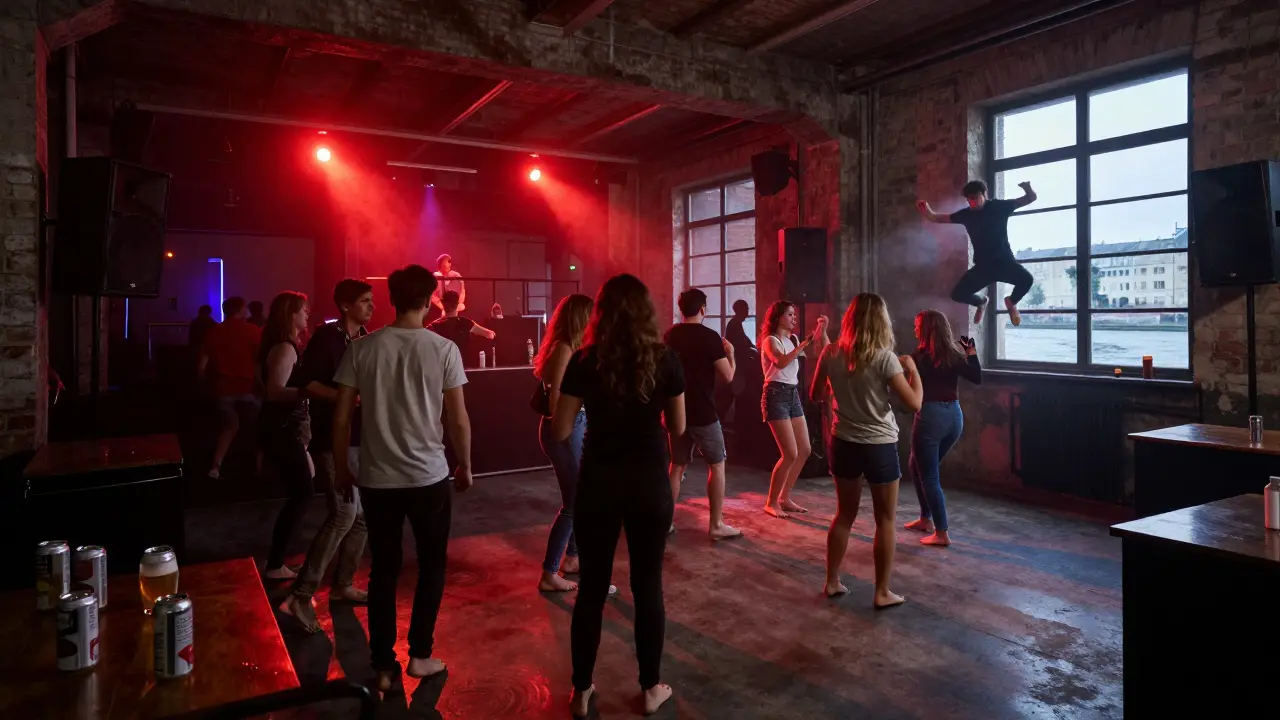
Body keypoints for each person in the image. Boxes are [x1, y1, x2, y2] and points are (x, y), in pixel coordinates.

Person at [332, 264, 472, 692]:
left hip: (377, 479)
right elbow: (458, 420)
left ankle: (383, 666)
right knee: (431, 567)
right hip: (429, 476)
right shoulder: (444, 349)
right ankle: (421, 655)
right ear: (430, 299)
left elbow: (341, 419)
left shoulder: (362, 348)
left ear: (391, 299)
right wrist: (464, 464)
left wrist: (341, 468)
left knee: (384, 571)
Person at [555, 274, 684, 718]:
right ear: (647, 311)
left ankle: (582, 691)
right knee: (648, 586)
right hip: (649, 482)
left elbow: (560, 428)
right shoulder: (666, 360)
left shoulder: (584, 361)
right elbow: (679, 427)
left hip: (599, 484)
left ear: (602, 313)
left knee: (591, 587)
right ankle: (650, 688)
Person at [809, 293, 921, 608]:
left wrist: (842, 389)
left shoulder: (830, 352)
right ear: (881, 321)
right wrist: (914, 371)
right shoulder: (885, 358)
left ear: (849, 320)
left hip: (843, 442)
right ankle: (882, 592)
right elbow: (914, 403)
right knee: (885, 519)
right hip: (879, 445)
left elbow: (816, 394)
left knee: (843, 515)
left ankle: (831, 581)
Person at [279, 279, 375, 631]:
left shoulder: (364, 338)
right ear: (346, 305)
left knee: (360, 516)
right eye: (365, 301)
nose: (371, 307)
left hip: (358, 437)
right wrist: (345, 398)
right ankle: (300, 596)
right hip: (332, 439)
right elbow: (306, 383)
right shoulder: (327, 338)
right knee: (343, 514)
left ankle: (343, 584)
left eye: (372, 301)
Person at [664, 288, 741, 540]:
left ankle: (665, 523)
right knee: (717, 464)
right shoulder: (710, 338)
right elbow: (729, 376)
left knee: (676, 465)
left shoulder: (671, 334)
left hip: (676, 411)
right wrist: (731, 354)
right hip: (703, 411)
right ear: (703, 309)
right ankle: (716, 524)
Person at [531, 294, 594, 592]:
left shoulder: (570, 348)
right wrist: (569, 429)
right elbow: (556, 404)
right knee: (574, 502)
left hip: (572, 427)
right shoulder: (564, 349)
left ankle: (572, 558)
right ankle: (550, 571)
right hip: (565, 429)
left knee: (579, 499)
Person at [917, 180, 1038, 326]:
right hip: (983, 267)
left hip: (1005, 263)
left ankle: (1011, 302)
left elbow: (1030, 198)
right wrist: (928, 212)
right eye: (968, 199)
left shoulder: (999, 207)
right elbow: (939, 218)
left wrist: (1027, 188)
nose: (972, 202)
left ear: (984, 194)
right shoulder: (967, 214)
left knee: (1027, 280)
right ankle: (981, 302)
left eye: (974, 198)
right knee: (957, 294)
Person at [907, 310, 981, 548]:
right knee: (916, 465)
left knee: (928, 475)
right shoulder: (953, 354)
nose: (915, 329)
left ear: (927, 329)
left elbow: (911, 391)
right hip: (954, 417)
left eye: (918, 326)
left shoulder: (919, 356)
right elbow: (976, 377)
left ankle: (941, 532)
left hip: (931, 416)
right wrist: (971, 351)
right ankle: (925, 518)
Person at [258, 291, 314, 581]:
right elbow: (275, 391)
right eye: (303, 310)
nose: (307, 314)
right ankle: (275, 563)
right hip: (281, 429)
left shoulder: (289, 346)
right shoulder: (284, 348)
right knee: (302, 493)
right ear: (290, 314)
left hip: (287, 429)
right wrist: (312, 391)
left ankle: (276, 560)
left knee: (303, 489)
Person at [759, 301, 828, 518]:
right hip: (775, 395)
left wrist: (821, 331)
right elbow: (780, 362)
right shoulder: (771, 341)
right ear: (778, 317)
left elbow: (816, 352)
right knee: (789, 453)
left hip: (792, 394)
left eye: (794, 314)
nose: (794, 318)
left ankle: (784, 497)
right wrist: (802, 345)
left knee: (804, 450)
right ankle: (771, 502)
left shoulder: (793, 340)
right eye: (790, 314)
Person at [197, 296, 262, 479]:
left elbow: (201, 367)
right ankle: (259, 469)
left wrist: (205, 387)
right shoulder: (252, 331)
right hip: (248, 388)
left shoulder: (213, 332)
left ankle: (215, 466)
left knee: (228, 428)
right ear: (241, 310)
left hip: (222, 389)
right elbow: (259, 362)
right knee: (258, 428)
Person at [427, 291, 495, 364]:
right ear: (457, 305)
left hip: (442, 369)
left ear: (443, 304)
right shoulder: (465, 322)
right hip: (462, 368)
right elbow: (490, 334)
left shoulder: (434, 326)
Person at [717, 299, 757, 420]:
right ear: (740, 310)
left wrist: (754, 347)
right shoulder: (734, 324)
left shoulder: (735, 323)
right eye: (746, 310)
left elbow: (745, 341)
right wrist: (753, 349)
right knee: (735, 393)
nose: (747, 313)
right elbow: (742, 343)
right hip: (736, 365)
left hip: (738, 365)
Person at [428, 253, 465, 323]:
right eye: (447, 261)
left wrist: (457, 305)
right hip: (439, 309)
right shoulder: (436, 276)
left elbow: (462, 292)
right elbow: (433, 296)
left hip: (453, 307)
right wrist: (443, 307)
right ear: (441, 264)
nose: (450, 264)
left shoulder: (456, 275)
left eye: (450, 262)